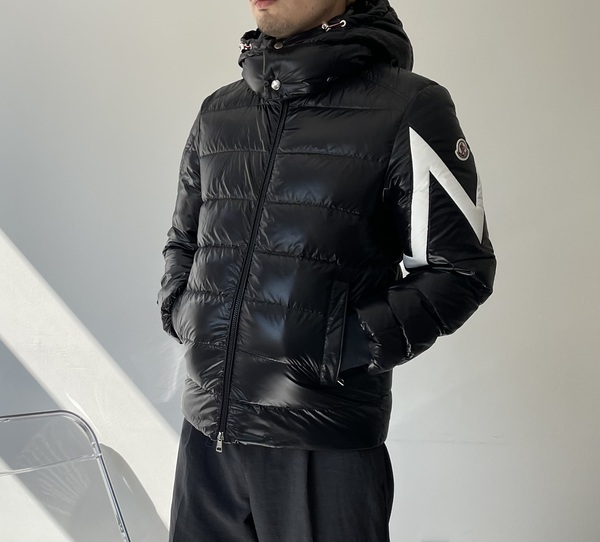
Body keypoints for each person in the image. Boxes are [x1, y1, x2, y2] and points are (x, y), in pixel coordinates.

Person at [158, 0, 496, 540]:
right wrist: (182, 311)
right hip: (206, 438)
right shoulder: (220, 111)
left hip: (322, 441)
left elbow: (460, 268)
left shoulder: (408, 107)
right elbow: (184, 240)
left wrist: (342, 345)